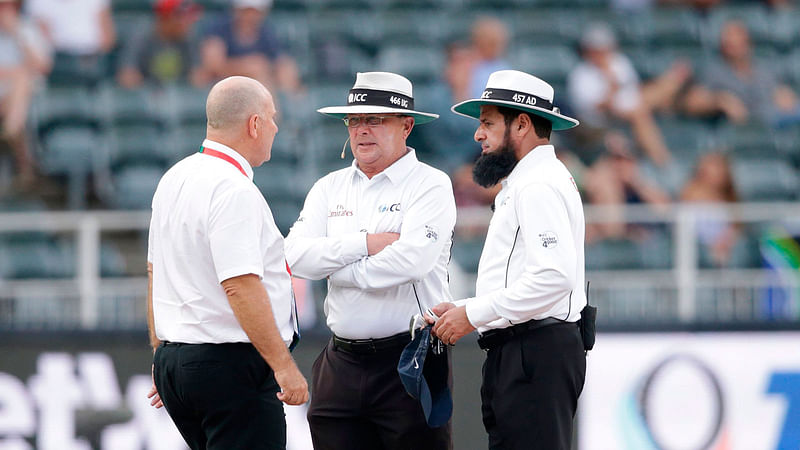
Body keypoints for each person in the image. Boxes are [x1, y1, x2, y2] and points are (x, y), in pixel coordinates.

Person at [284, 71, 456, 450]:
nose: (362, 130)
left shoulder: (431, 184)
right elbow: (295, 257)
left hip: (409, 358)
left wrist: (335, 268)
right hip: (340, 359)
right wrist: (367, 243)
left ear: (406, 125)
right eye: (355, 120)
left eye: (375, 119)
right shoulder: (329, 187)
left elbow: (411, 261)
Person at [146, 76, 308, 450]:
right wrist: (283, 366)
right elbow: (239, 284)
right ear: (254, 124)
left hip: (178, 359)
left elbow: (155, 272)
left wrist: (162, 351)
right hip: (228, 363)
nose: (275, 127)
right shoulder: (232, 188)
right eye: (271, 117)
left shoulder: (174, 177)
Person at [430, 70, 587, 450]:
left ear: (521, 124)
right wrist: (467, 308)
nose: (477, 134)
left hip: (535, 350)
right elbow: (526, 278)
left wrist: (473, 313)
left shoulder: (537, 185)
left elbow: (554, 277)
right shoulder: (531, 180)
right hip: (526, 348)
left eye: (487, 123)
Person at [567, 22, 679, 166]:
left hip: (628, 105)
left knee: (661, 92)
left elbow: (633, 88)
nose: (603, 54)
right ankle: (661, 160)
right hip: (599, 122)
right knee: (640, 114)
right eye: (598, 50)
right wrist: (611, 85)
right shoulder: (581, 74)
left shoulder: (618, 62)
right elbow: (597, 108)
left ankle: (671, 94)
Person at [703, 20, 800, 127]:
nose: (736, 47)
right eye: (730, 44)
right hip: (737, 129)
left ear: (748, 43)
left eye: (740, 42)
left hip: (772, 121)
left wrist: (785, 95)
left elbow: (781, 93)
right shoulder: (714, 71)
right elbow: (694, 101)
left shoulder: (764, 68)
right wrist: (719, 101)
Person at [196, 0, 302, 94]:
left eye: (255, 11)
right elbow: (213, 66)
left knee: (284, 73)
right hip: (220, 87)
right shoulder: (218, 28)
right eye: (246, 10)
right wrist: (248, 68)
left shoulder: (267, 32)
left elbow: (280, 61)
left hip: (252, 86)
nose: (251, 16)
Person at [0, 0, 51, 189]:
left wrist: (17, 34)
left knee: (22, 81)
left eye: (8, 6)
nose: (4, 11)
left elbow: (42, 66)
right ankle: (12, 130)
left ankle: (12, 129)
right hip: (6, 93)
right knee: (21, 78)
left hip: (25, 96)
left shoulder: (27, 29)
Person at [116, 0, 203, 88]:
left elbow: (199, 75)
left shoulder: (188, 38)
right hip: (147, 97)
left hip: (179, 97)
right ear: (165, 18)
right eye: (181, 17)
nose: (188, 23)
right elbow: (126, 75)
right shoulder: (142, 37)